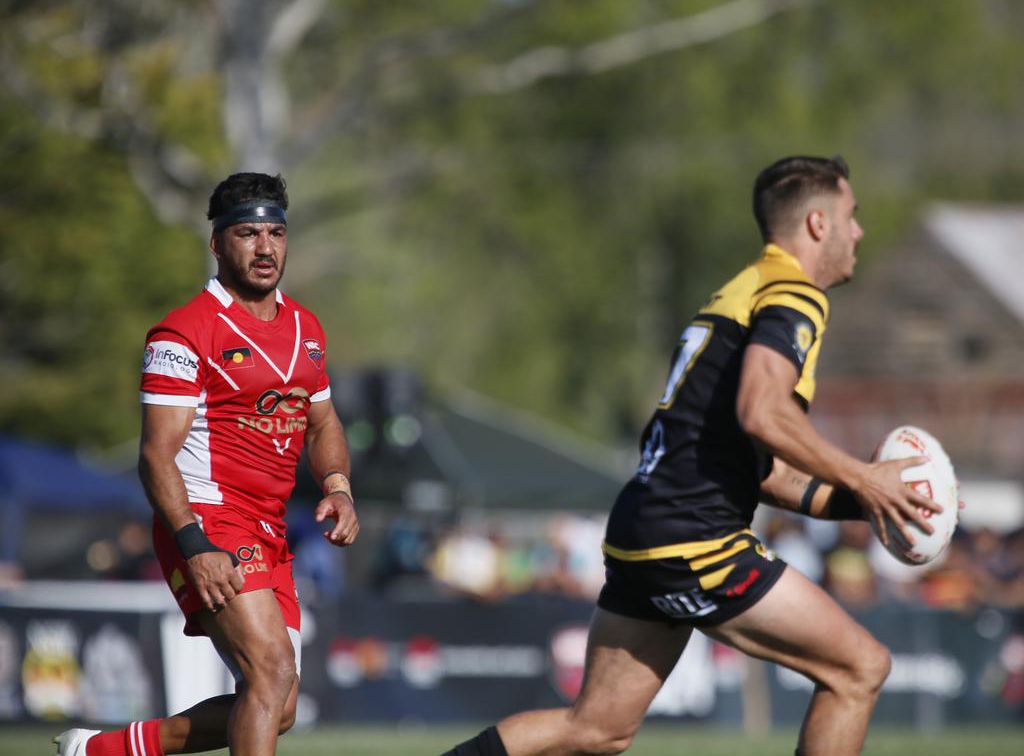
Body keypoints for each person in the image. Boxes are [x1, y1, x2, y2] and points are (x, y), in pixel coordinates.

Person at [443, 155, 943, 756]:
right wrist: (866, 475)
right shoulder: (794, 296)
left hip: (645, 526)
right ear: (817, 223)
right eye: (851, 215)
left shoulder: (741, 289)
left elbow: (768, 469)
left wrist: (869, 502)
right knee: (859, 668)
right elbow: (762, 411)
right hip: (694, 536)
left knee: (596, 730)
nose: (859, 231)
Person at [55, 172, 359, 756]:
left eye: (276, 233)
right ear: (218, 243)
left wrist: (339, 486)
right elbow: (155, 456)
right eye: (248, 233)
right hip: (207, 520)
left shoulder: (307, 329)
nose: (265, 248)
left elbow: (322, 423)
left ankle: (100, 752)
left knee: (280, 703)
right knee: (270, 676)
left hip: (270, 529)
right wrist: (194, 543)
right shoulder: (184, 331)